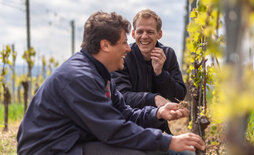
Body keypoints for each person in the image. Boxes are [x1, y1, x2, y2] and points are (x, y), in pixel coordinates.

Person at [16, 11, 205, 155]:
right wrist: (168, 142)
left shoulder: (100, 72)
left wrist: (157, 113)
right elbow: (114, 130)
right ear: (105, 45)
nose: (128, 49)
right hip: (50, 149)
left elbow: (124, 113)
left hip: (73, 142)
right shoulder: (80, 78)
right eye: (124, 42)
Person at [111, 9, 186, 134]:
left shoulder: (168, 54)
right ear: (134, 34)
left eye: (150, 32)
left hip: (159, 127)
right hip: (129, 126)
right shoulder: (124, 56)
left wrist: (160, 74)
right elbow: (121, 95)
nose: (144, 36)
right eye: (140, 31)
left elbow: (179, 96)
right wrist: (153, 98)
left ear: (159, 34)